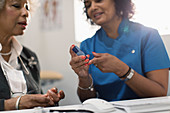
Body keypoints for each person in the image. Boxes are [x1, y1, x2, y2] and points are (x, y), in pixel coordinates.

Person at [69, 0, 170, 102]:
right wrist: (84, 79)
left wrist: (122, 70)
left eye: (98, 0)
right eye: (88, 5)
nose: (93, 7)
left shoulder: (148, 36)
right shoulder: (87, 45)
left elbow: (160, 92)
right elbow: (87, 101)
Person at [0, 0, 65, 111]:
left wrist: (46, 100)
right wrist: (13, 104)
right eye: (16, 6)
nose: (26, 13)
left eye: (27, 7)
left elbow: (36, 101)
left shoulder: (30, 57)